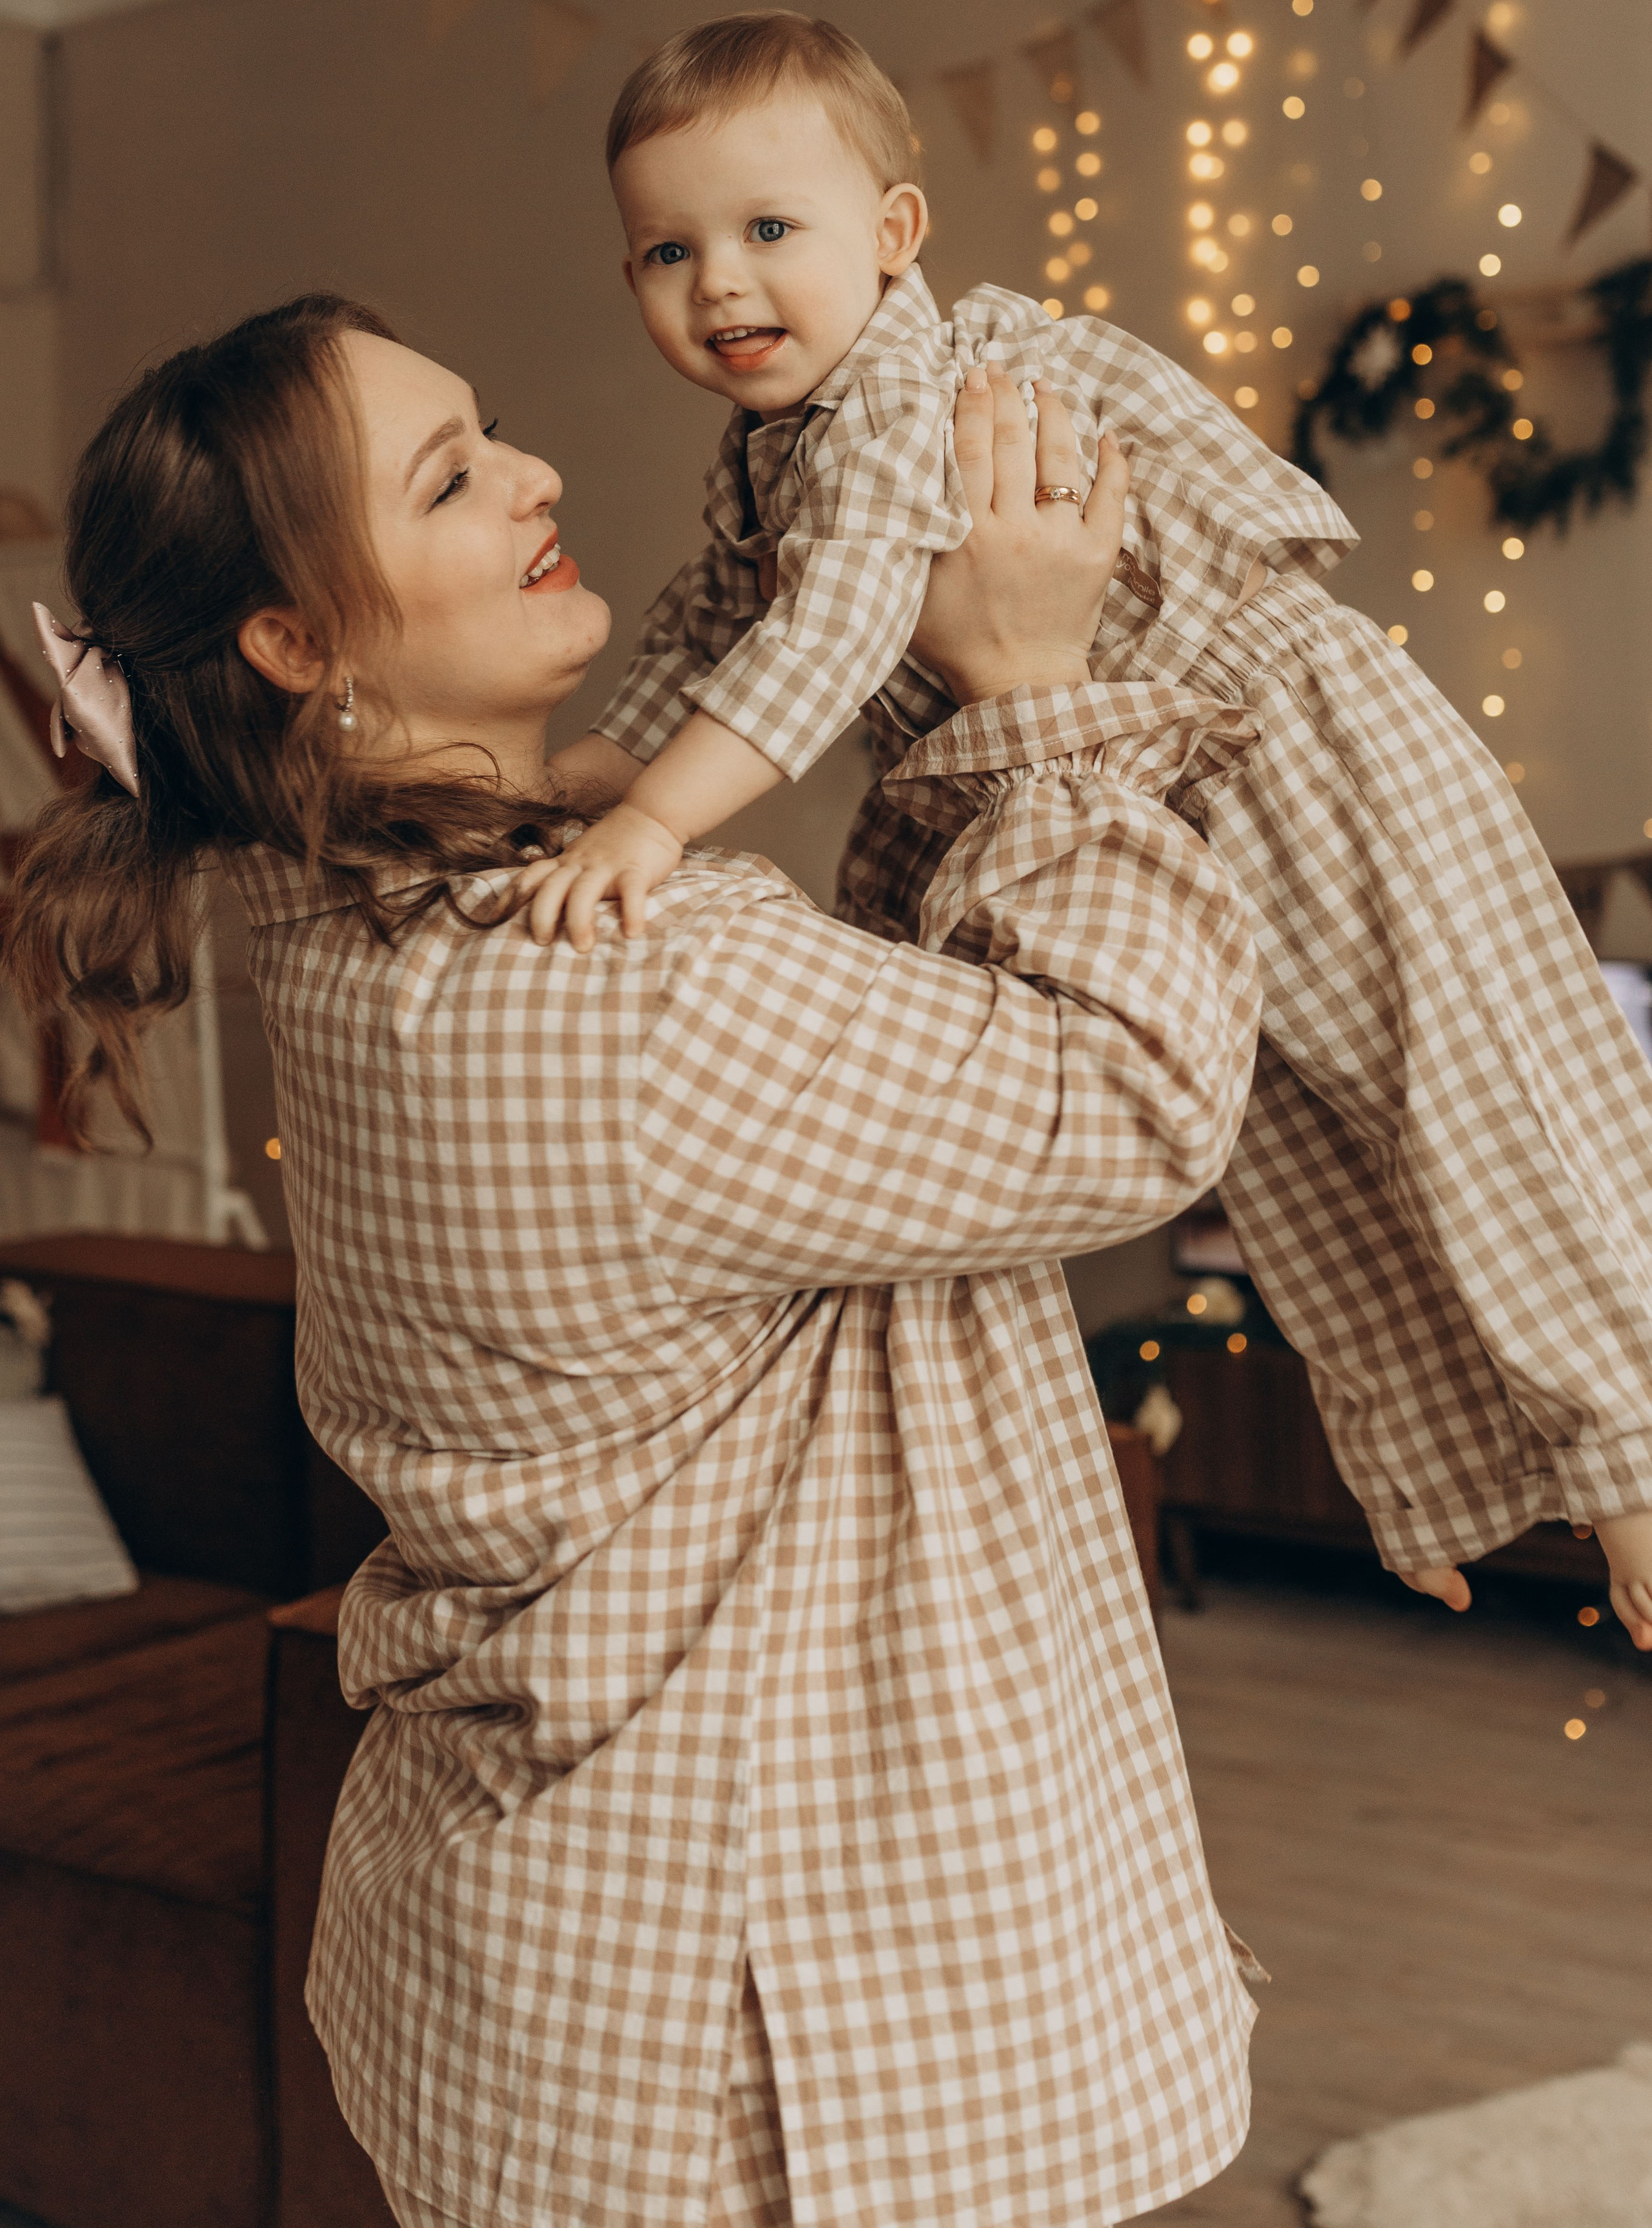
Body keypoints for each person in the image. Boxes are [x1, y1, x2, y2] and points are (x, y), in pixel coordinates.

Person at [6, 292, 1270, 2227]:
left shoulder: (330, 927)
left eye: (491, 431)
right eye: (449, 479)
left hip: (536, 1973)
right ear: (297, 643)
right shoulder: (628, 990)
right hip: (778, 2033)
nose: (535, 476)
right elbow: (1144, 1091)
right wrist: (1031, 689)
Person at [534, 8, 1652, 1650]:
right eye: (664, 251)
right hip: (1144, 792)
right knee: (1273, 1138)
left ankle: (1629, 1452)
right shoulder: (771, 454)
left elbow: (834, 626)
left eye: (769, 230)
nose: (717, 284)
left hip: (1290, 746)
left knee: (1468, 1079)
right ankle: (1446, 1480)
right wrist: (589, 764)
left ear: (891, 234)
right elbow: (709, 628)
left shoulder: (909, 402)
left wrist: (651, 815)